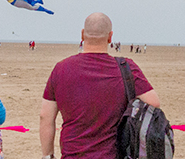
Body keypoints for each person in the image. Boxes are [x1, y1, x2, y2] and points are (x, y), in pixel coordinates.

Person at [40, 12, 160, 159]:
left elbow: (45, 117)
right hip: (112, 154)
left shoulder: (61, 68)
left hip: (73, 154)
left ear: (82, 35)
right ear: (110, 37)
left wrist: (47, 155)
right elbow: (154, 102)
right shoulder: (126, 68)